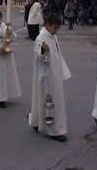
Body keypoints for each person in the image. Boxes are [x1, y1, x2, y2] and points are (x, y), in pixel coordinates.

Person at [28, 13, 71, 142]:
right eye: (55, 28)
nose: (56, 31)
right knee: (50, 102)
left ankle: (35, 121)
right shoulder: (40, 39)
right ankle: (54, 130)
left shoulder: (53, 36)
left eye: (57, 28)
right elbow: (39, 57)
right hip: (46, 76)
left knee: (55, 100)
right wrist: (44, 51)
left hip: (55, 74)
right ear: (47, 25)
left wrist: (63, 71)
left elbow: (58, 54)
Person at [0, 10, 21, 108]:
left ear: (1, 18)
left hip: (6, 55)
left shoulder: (6, 26)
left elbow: (14, 37)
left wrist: (10, 34)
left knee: (6, 75)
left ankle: (6, 94)